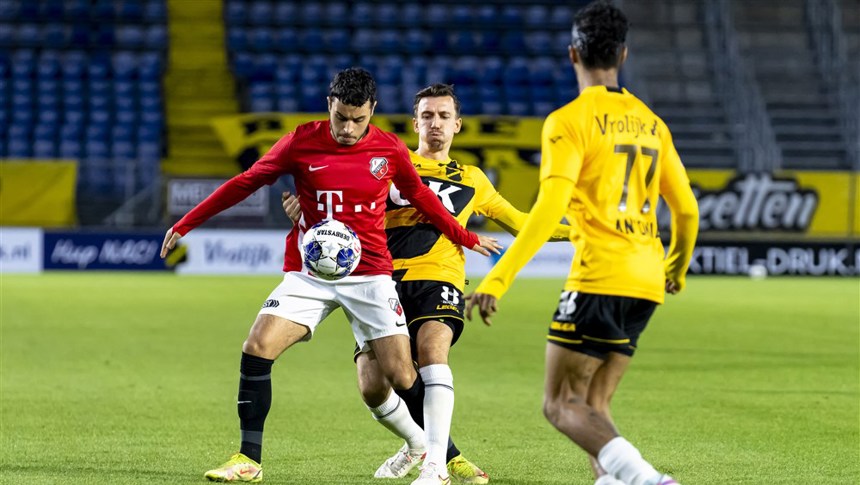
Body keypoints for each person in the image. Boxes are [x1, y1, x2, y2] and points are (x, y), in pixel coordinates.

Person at [160, 67, 501, 483]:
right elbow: (246, 183)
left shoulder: (389, 150)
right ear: (329, 106)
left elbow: (424, 200)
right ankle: (248, 459)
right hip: (310, 273)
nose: (349, 128)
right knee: (257, 345)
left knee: (401, 375)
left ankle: (445, 455)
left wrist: (464, 236)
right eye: (341, 117)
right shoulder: (301, 142)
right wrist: (185, 224)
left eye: (359, 119)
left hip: (371, 275)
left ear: (372, 110)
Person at [283, 83, 571, 484]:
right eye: (428, 116)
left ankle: (437, 466)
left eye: (444, 116)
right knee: (372, 386)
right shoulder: (385, 162)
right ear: (415, 122)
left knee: (432, 350)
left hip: (439, 276)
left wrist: (580, 231)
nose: (436, 124)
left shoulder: (473, 180)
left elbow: (523, 223)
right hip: (378, 280)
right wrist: (305, 212)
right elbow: (342, 216)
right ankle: (419, 445)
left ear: (458, 125)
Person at [466, 2, 700, 485]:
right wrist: (675, 268)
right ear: (624, 54)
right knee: (594, 404)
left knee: (559, 404)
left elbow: (551, 208)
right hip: (647, 279)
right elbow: (686, 210)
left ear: (573, 54)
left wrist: (499, 277)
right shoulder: (653, 123)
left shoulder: (568, 121)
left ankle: (648, 480)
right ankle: (609, 480)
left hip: (600, 273)